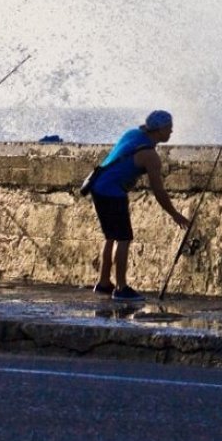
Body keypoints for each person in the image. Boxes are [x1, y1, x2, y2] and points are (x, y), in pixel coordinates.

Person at [89, 110, 188, 301]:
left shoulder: (133, 134)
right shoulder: (150, 156)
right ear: (159, 130)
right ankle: (121, 288)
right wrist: (175, 214)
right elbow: (158, 191)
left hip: (98, 185)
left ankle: (103, 283)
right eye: (169, 128)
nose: (171, 132)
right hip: (112, 191)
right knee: (123, 238)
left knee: (111, 237)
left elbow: (121, 159)